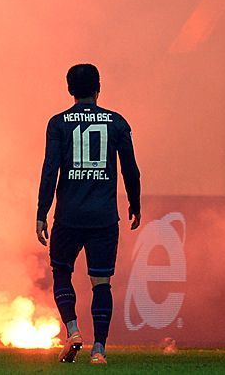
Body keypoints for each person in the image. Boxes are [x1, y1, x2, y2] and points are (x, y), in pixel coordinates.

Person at [36, 63, 140, 365]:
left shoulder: (58, 124)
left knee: (61, 272)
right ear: (99, 88)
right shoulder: (117, 122)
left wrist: (42, 211)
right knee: (101, 282)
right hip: (104, 217)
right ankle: (99, 350)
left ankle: (72, 331)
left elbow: (50, 169)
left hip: (69, 215)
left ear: (70, 89)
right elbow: (130, 169)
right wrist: (135, 202)